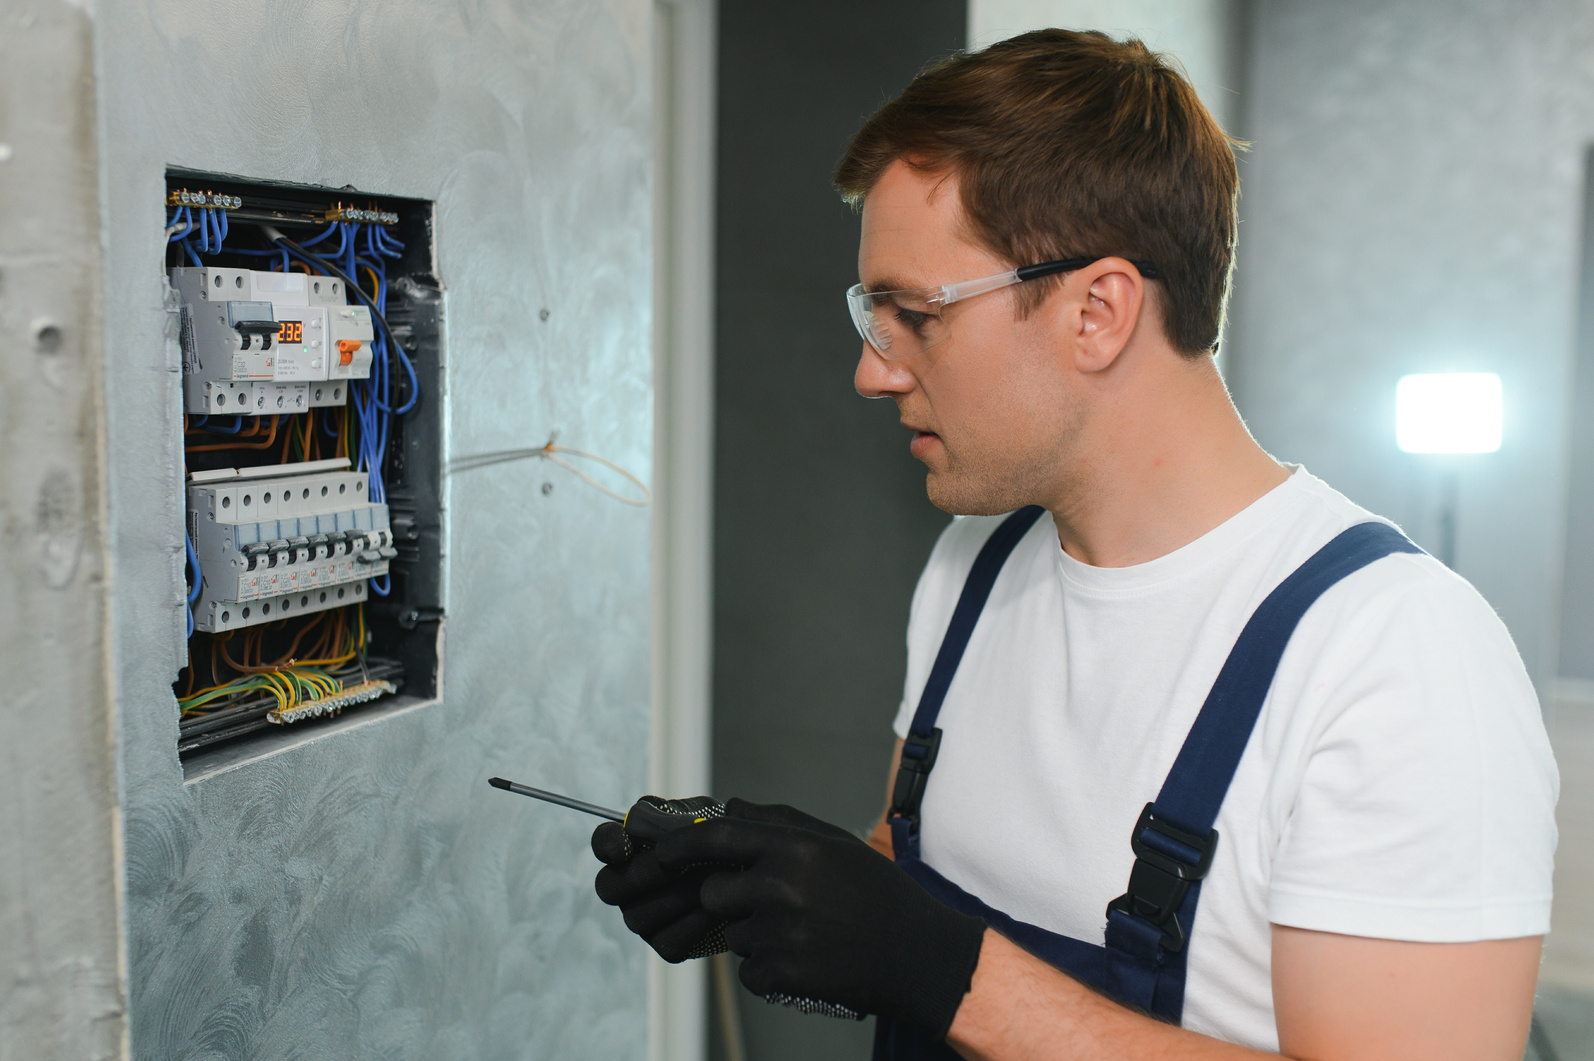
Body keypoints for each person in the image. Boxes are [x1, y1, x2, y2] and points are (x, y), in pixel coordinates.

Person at [593, 28, 1558, 1060]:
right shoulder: (974, 567)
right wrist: (786, 895)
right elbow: (928, 878)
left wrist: (945, 970)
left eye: (914, 314)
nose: (873, 373)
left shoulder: (1392, 657)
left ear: (1097, 310)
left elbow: (945, 962)